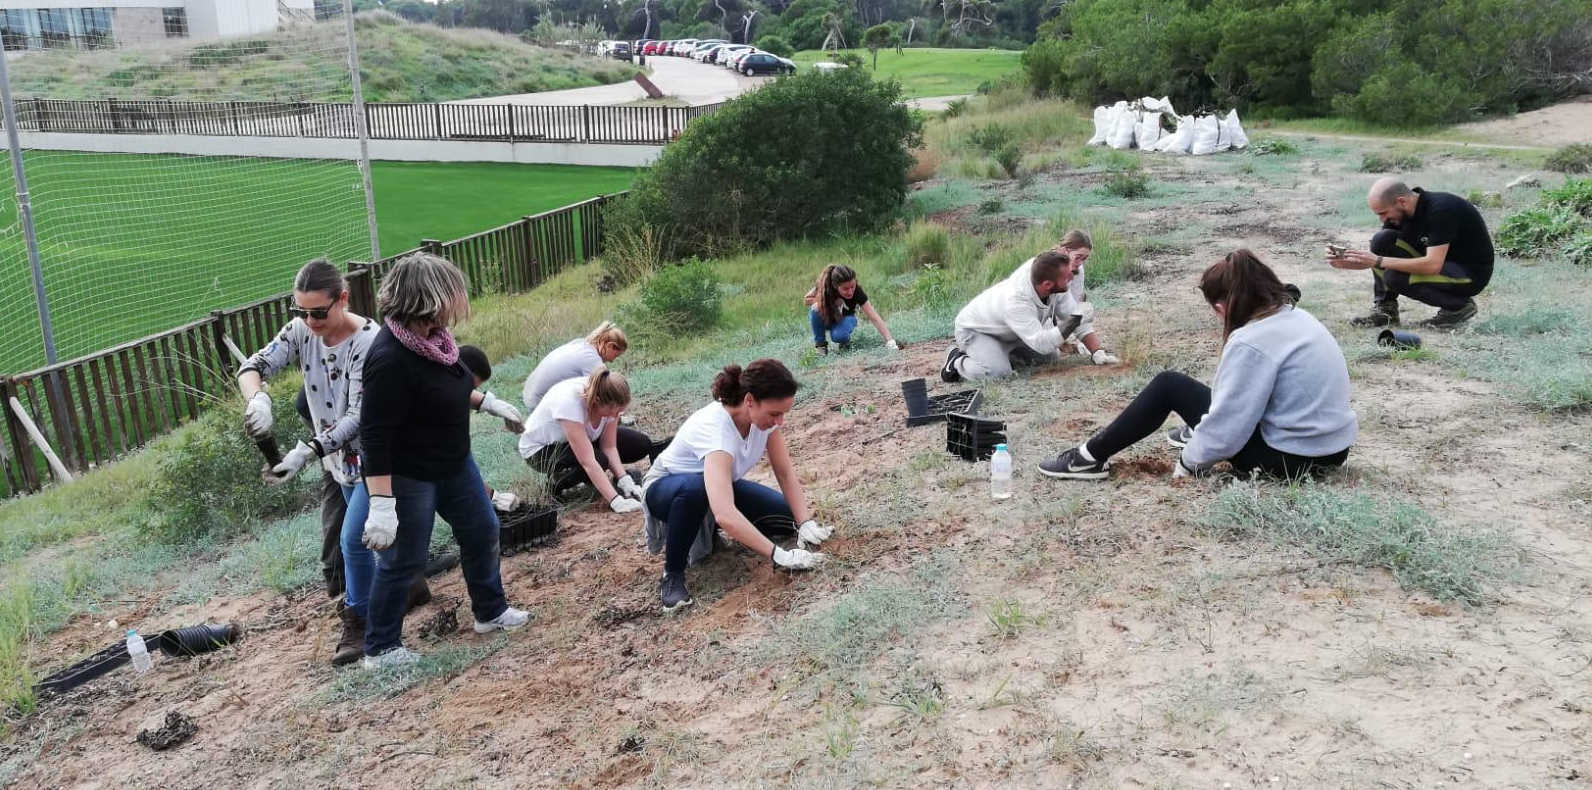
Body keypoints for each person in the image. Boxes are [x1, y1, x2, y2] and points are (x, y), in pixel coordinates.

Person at [1039, 249, 1357, 481]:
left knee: (1168, 385)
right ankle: (1194, 429)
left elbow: (1229, 425)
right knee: (1202, 407)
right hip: (1335, 449)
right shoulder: (1297, 317)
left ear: (1222, 307)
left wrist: (1189, 464)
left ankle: (1087, 459)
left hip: (1290, 460)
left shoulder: (1251, 340)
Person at [358, 253, 529, 669]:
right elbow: (374, 436)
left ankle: (490, 612)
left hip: (455, 464)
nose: (458, 301)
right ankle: (380, 648)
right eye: (452, 292)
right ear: (426, 298)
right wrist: (381, 504)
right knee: (405, 559)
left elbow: (443, 389)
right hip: (411, 474)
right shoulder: (388, 359)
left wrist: (487, 402)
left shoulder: (438, 341)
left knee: (483, 530)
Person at [238, 259, 392, 666]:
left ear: (343, 299)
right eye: (300, 311)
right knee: (366, 540)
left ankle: (361, 624)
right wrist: (258, 398)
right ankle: (405, 585)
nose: (309, 321)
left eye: (318, 312)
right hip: (336, 457)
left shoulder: (369, 342)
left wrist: (306, 451)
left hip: (376, 453)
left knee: (352, 539)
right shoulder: (300, 331)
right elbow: (253, 366)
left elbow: (359, 416)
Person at [642, 359, 830, 612]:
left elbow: (784, 473)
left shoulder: (763, 421)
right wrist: (778, 556)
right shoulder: (717, 432)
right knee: (695, 490)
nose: (780, 421)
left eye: (784, 413)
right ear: (750, 400)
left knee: (786, 517)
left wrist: (805, 522)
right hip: (668, 489)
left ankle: (708, 529)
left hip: (717, 488)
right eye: (775, 413)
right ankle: (672, 575)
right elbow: (725, 513)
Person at [1333, 178, 1495, 329]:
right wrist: (1354, 263)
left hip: (1468, 274)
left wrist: (1378, 261)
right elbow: (1382, 257)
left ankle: (1458, 307)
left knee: (1394, 277)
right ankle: (1386, 311)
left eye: (1383, 213)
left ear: (1401, 201)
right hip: (1439, 265)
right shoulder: (1401, 214)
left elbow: (1432, 265)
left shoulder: (1442, 209)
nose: (1382, 220)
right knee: (1381, 240)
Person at [941, 245, 1117, 383]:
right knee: (998, 374)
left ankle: (1000, 355)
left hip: (1012, 331)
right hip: (977, 331)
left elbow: (1072, 315)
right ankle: (957, 360)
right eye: (1066, 277)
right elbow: (1043, 342)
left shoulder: (1052, 282)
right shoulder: (1017, 301)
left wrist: (1097, 352)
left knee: (1050, 358)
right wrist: (1076, 319)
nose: (1071, 278)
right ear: (1047, 285)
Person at [518, 368, 655, 508]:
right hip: (541, 450)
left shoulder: (607, 394)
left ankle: (595, 479)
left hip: (580, 437)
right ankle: (557, 482)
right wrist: (616, 501)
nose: (615, 416)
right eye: (613, 412)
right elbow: (588, 461)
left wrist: (624, 479)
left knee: (640, 444)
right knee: (599, 460)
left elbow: (609, 446)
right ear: (596, 401)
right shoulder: (570, 404)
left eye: (619, 412)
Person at [522, 322, 628, 413]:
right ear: (609, 346)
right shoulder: (591, 359)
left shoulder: (580, 343)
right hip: (538, 403)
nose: (613, 360)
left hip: (528, 395)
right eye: (616, 355)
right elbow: (606, 393)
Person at [804, 264, 899, 354]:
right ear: (835, 286)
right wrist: (830, 301)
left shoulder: (857, 292)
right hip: (828, 318)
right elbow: (806, 300)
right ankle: (821, 348)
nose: (850, 292)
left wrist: (890, 341)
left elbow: (874, 317)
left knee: (839, 336)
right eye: (845, 288)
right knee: (815, 308)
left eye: (852, 286)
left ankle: (845, 343)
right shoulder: (826, 286)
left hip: (846, 318)